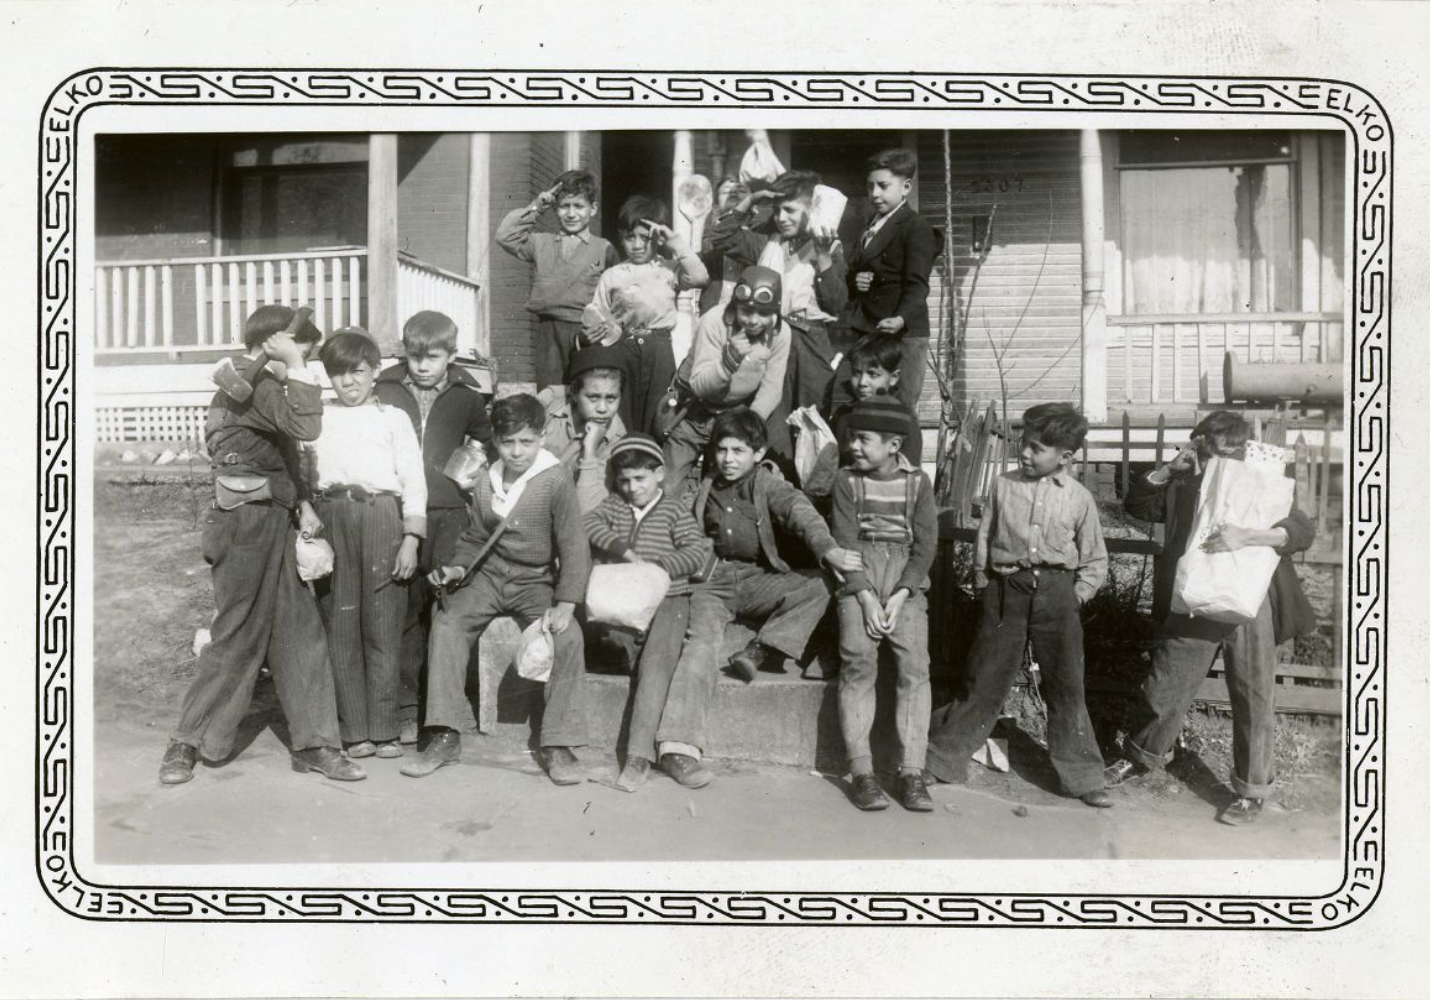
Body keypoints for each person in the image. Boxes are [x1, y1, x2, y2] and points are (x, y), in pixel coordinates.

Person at [159, 305, 361, 785]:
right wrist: (294, 363)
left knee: (301, 635)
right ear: (275, 343)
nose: (304, 362)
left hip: (279, 520)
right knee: (237, 635)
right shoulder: (248, 386)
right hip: (244, 525)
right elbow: (306, 427)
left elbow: (285, 453)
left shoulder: (260, 385)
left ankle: (316, 745)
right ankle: (185, 741)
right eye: (301, 351)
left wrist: (305, 502)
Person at [1102, 410, 1317, 825]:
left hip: (1253, 603)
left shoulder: (1260, 485)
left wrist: (1248, 536)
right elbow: (1138, 505)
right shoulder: (1187, 486)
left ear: (1242, 451)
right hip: (1196, 597)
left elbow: (1301, 531)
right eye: (1212, 450)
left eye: (1230, 452)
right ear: (1198, 444)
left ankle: (1252, 790)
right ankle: (1142, 756)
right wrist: (1168, 470)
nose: (1222, 460)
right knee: (1168, 681)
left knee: (1253, 693)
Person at [925, 403, 1112, 809]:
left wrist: (1076, 595)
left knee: (1066, 684)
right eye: (1023, 446)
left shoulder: (1079, 499)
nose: (1025, 454)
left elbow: (1095, 558)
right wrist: (983, 581)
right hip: (1006, 590)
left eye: (1037, 449)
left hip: (1059, 593)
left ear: (1064, 457)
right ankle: (942, 759)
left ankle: (1082, 776)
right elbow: (986, 535)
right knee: (984, 676)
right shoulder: (1003, 486)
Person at [400, 394, 593, 786]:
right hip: (489, 576)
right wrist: (456, 567)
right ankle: (443, 733)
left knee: (568, 637)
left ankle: (557, 743)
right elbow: (477, 536)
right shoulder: (487, 478)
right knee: (448, 622)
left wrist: (567, 604)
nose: (517, 451)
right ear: (497, 442)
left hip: (535, 579)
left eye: (527, 441)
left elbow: (574, 545)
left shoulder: (555, 480)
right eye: (508, 443)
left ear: (541, 437)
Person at [299, 330, 427, 759]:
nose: (348, 382)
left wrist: (410, 538)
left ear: (374, 372)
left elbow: (413, 479)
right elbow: (300, 470)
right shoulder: (317, 418)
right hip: (333, 517)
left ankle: (386, 729)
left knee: (383, 627)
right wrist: (305, 507)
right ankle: (355, 731)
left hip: (381, 517)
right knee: (341, 626)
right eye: (338, 374)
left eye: (357, 372)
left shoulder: (393, 418)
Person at [374, 310, 494, 746]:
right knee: (404, 609)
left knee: (446, 606)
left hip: (447, 513)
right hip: (399, 512)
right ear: (404, 352)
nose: (423, 366)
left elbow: (484, 437)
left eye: (434, 357)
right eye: (415, 356)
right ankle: (407, 709)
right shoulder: (384, 388)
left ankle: (445, 705)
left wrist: (465, 472)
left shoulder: (466, 394)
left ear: (451, 354)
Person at [582, 434, 715, 791]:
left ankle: (638, 757)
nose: (632, 487)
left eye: (640, 478)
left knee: (656, 664)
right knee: (618, 644)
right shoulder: (615, 505)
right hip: (626, 600)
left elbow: (695, 551)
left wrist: (656, 568)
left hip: (670, 598)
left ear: (659, 474)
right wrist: (626, 555)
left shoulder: (673, 509)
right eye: (625, 480)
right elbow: (588, 524)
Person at [691, 408, 858, 683]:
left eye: (738, 451)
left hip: (757, 581)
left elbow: (799, 510)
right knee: (698, 650)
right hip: (713, 582)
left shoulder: (767, 484)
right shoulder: (705, 487)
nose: (728, 459)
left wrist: (828, 549)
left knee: (821, 584)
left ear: (757, 453)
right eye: (721, 450)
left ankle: (761, 648)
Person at [830, 397, 938, 812]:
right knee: (858, 661)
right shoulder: (846, 481)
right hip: (859, 570)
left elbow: (925, 545)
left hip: (904, 577)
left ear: (894, 445)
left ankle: (911, 772)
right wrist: (864, 596)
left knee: (915, 667)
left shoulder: (918, 483)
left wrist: (901, 592)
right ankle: (862, 773)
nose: (855, 446)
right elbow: (843, 541)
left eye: (864, 439)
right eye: (853, 438)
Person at [706, 169, 848, 416]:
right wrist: (750, 200)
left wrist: (823, 256)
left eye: (790, 210)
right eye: (777, 210)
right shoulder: (765, 241)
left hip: (810, 345)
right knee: (770, 415)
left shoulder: (829, 246)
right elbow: (721, 237)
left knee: (811, 418)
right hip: (767, 339)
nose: (781, 218)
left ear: (812, 209)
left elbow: (835, 303)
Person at [580, 194, 709, 434]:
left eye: (645, 238)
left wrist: (675, 243)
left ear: (658, 239)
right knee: (622, 411)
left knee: (659, 411)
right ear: (621, 238)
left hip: (659, 347)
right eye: (630, 238)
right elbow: (596, 313)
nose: (637, 245)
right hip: (622, 346)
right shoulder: (613, 275)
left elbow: (700, 277)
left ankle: (652, 461)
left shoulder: (669, 270)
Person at [660, 265, 791, 497]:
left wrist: (748, 427)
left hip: (734, 413)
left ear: (776, 312)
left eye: (763, 313)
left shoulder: (781, 333)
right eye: (746, 311)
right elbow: (699, 384)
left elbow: (772, 388)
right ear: (734, 306)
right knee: (668, 484)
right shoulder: (714, 321)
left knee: (722, 490)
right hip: (691, 410)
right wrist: (729, 362)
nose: (753, 320)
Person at [842, 149, 936, 449]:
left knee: (900, 411)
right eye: (870, 186)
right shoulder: (870, 226)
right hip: (872, 330)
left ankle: (909, 478)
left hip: (903, 333)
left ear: (905, 187)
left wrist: (901, 318)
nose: (874, 193)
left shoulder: (915, 226)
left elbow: (918, 285)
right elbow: (856, 271)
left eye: (883, 186)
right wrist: (855, 281)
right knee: (868, 409)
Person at [495, 169, 619, 389]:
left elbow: (617, 295)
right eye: (564, 206)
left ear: (593, 209)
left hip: (587, 331)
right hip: (548, 334)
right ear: (555, 208)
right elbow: (505, 235)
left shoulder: (603, 249)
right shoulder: (539, 243)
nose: (571, 214)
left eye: (579, 206)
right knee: (551, 396)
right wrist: (537, 206)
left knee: (587, 393)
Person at [536, 344, 627, 513]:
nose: (602, 408)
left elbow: (587, 510)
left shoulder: (617, 439)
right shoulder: (550, 403)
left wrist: (590, 451)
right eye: (593, 397)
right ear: (574, 394)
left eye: (611, 398)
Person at [829, 332, 922, 467]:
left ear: (894, 378)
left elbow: (910, 473)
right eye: (856, 373)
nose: (862, 382)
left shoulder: (904, 421)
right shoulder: (843, 416)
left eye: (873, 374)